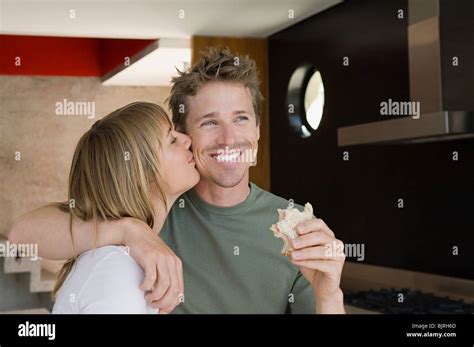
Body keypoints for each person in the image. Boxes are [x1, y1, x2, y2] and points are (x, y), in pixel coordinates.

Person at [9, 48, 346, 314]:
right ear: (185, 135)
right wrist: (130, 230)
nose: (230, 139)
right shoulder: (152, 208)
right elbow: (23, 235)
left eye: (241, 119)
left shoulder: (297, 228)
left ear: (257, 130)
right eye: (210, 123)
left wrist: (330, 294)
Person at [49, 102, 199, 313]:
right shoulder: (117, 270)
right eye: (172, 140)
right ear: (142, 176)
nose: (187, 140)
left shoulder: (120, 264)